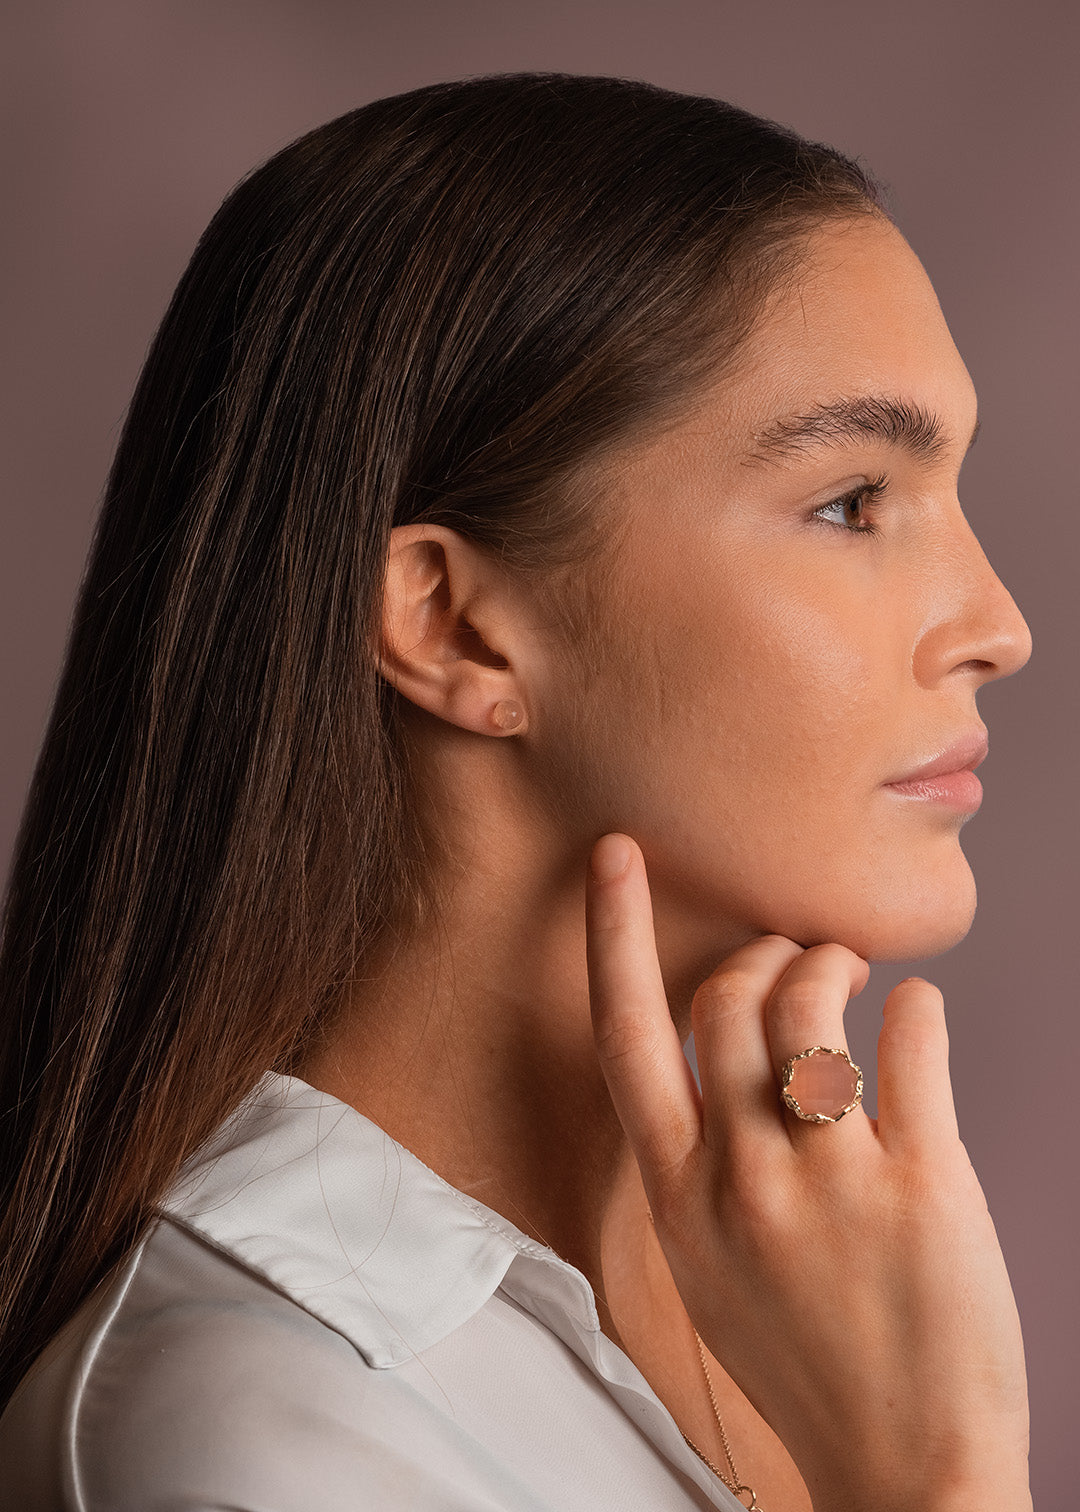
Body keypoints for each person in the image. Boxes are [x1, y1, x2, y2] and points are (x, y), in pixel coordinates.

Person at [0, 72, 1033, 1511]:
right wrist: (941, 1481)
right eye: (853, 503)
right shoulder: (256, 1442)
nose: (999, 623)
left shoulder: (795, 1292)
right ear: (454, 624)